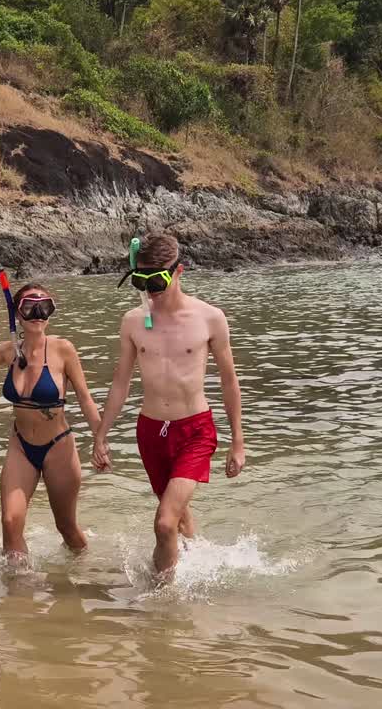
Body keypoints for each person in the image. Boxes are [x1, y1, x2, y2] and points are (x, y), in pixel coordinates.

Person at [92, 231, 246, 580]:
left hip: (195, 430)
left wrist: (238, 442)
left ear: (179, 271)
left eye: (157, 280)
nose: (150, 290)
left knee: (164, 523)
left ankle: (162, 597)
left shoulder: (209, 318)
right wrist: (101, 436)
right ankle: (197, 565)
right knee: (179, 515)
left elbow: (229, 381)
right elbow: (121, 381)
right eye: (141, 280)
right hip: (150, 432)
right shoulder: (133, 322)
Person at [0, 284, 103, 563]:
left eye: (45, 306)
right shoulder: (9, 351)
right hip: (21, 447)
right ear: (17, 315)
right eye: (29, 307)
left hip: (58, 447)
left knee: (67, 529)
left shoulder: (63, 349)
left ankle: (86, 574)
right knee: (10, 522)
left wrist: (99, 439)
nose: (38, 314)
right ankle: (21, 594)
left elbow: (85, 398)